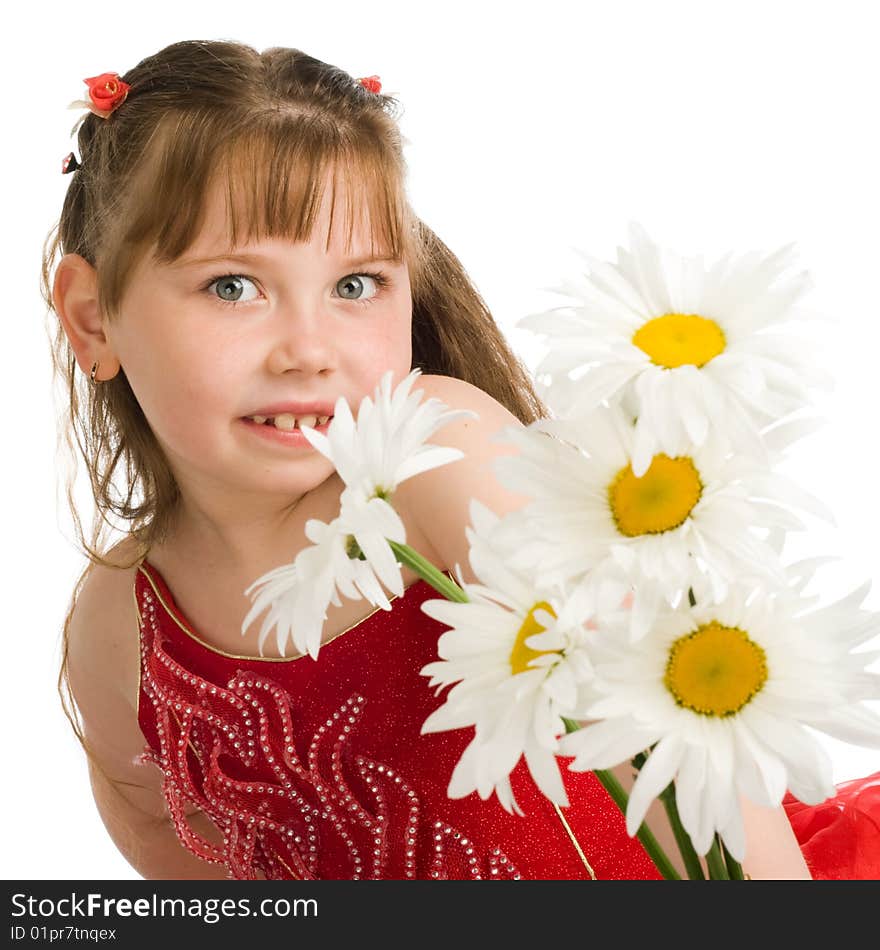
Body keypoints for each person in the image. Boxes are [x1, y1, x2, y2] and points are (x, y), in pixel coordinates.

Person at [42, 38, 870, 881]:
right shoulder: (120, 625)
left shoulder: (435, 461)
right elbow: (172, 849)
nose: (309, 350)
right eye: (232, 287)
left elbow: (686, 763)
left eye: (356, 285)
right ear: (93, 318)